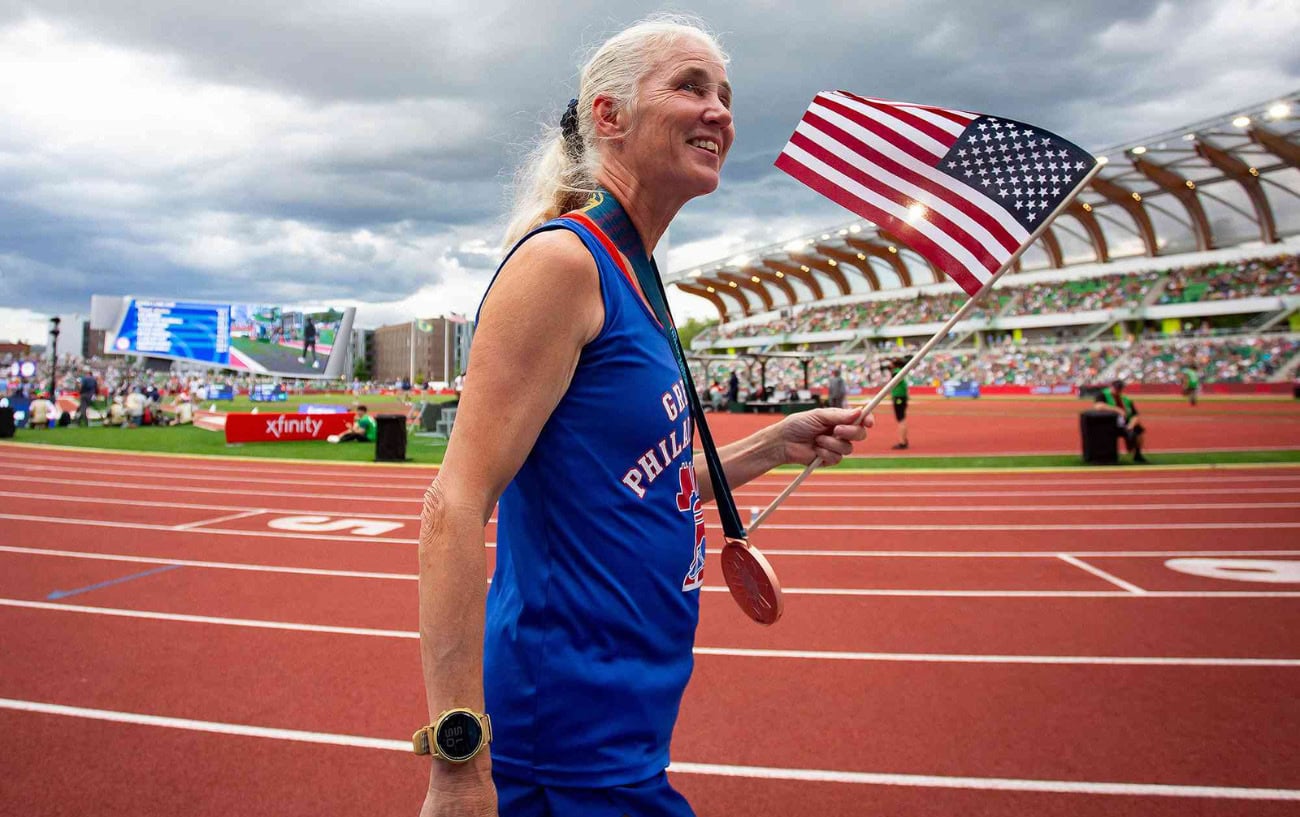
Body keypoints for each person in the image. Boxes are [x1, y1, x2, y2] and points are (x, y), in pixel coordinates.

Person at [416, 16, 870, 817]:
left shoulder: (639, 278)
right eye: (691, 87)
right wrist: (458, 764)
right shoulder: (564, 264)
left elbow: (636, 485)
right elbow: (454, 504)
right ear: (608, 115)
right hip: (560, 744)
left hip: (627, 729)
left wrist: (771, 442)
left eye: (726, 95)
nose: (721, 111)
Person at [1094, 379, 1148, 463]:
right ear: (1111, 387)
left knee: (1138, 430)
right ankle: (1108, 456)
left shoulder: (1126, 399)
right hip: (1110, 424)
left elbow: (1135, 415)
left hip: (1125, 424)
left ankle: (1137, 454)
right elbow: (1098, 406)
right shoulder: (1103, 395)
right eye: (1116, 388)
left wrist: (1131, 425)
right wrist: (1118, 409)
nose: (1117, 390)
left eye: (1119, 388)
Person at [889, 359, 910, 450]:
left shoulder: (897, 372)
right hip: (901, 397)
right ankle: (904, 440)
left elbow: (894, 380)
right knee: (902, 419)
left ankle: (902, 442)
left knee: (901, 420)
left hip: (899, 398)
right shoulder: (900, 371)